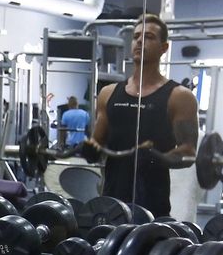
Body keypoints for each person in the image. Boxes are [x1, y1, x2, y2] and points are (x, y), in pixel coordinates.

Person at [85, 13, 199, 218]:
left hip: (153, 206)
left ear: (164, 48)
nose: (139, 41)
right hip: (111, 204)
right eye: (137, 36)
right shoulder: (108, 93)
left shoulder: (179, 97)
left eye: (149, 37)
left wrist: (159, 158)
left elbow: (189, 152)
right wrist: (89, 150)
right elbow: (97, 143)